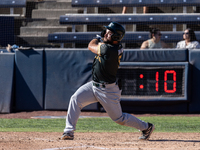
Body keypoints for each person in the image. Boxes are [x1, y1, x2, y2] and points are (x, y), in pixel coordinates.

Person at [61, 22, 155, 140]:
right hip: (94, 85)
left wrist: (97, 38)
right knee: (75, 99)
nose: (106, 34)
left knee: (119, 119)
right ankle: (68, 131)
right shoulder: (115, 46)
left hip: (107, 90)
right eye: (106, 32)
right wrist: (104, 37)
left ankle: (146, 127)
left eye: (109, 33)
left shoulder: (109, 49)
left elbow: (91, 46)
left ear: (116, 36)